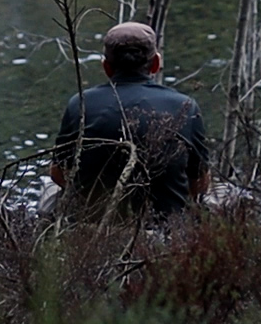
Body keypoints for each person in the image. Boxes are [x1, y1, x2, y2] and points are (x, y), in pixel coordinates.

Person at [50, 21, 210, 220]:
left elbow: (58, 173)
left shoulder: (80, 103)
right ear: (156, 63)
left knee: (49, 194)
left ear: (106, 66)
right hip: (166, 230)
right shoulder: (185, 106)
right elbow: (200, 183)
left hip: (94, 226)